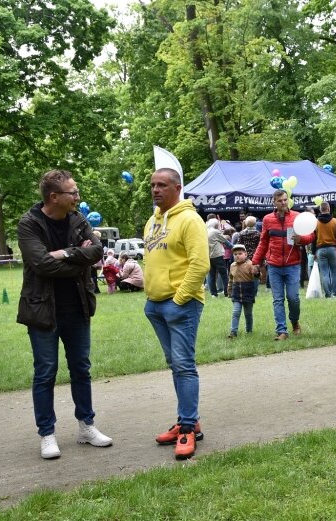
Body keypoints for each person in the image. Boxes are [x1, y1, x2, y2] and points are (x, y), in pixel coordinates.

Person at [17, 169, 112, 459]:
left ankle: (86, 426)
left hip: (77, 307)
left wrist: (63, 253)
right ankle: (47, 434)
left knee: (81, 368)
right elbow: (42, 265)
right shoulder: (29, 224)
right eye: (73, 192)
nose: (78, 196)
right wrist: (76, 256)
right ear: (54, 196)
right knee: (45, 372)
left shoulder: (77, 219)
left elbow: (97, 250)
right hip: (43, 310)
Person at [143, 167, 209, 460]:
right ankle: (189, 418)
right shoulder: (152, 222)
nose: (156, 190)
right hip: (155, 305)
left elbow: (200, 264)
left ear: (177, 188)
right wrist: (152, 298)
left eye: (162, 185)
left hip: (180, 304)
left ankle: (186, 428)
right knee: (175, 364)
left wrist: (180, 298)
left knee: (183, 365)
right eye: (153, 185)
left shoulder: (190, 220)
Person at [252, 189, 315, 340]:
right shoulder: (267, 220)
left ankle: (295, 322)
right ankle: (282, 331)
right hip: (273, 265)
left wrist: (302, 240)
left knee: (293, 298)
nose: (283, 203)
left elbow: (311, 235)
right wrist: (255, 262)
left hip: (293, 264)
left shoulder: (296, 217)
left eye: (285, 200)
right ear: (274, 202)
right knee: (278, 299)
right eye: (280, 200)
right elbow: (263, 242)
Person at [227, 244, 256, 338]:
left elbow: (256, 277)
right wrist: (229, 290)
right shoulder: (232, 266)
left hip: (248, 292)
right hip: (236, 293)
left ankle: (249, 330)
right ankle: (233, 332)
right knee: (236, 312)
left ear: (246, 254)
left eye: (240, 253)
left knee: (248, 313)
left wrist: (257, 272)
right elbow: (231, 279)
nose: (237, 255)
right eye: (235, 254)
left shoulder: (250, 264)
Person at [315, 202, 336, 298]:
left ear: (320, 210)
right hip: (332, 248)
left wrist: (314, 251)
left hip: (321, 249)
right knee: (334, 272)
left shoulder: (316, 222)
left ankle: (328, 294)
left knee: (324, 272)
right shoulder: (335, 221)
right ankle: (335, 293)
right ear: (329, 209)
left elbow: (314, 238)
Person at [206, 218, 230, 298]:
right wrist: (234, 247)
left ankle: (213, 293)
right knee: (224, 274)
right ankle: (227, 293)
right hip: (217, 255)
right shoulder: (215, 232)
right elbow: (224, 241)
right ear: (216, 225)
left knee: (212, 275)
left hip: (209, 255)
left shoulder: (205, 231)